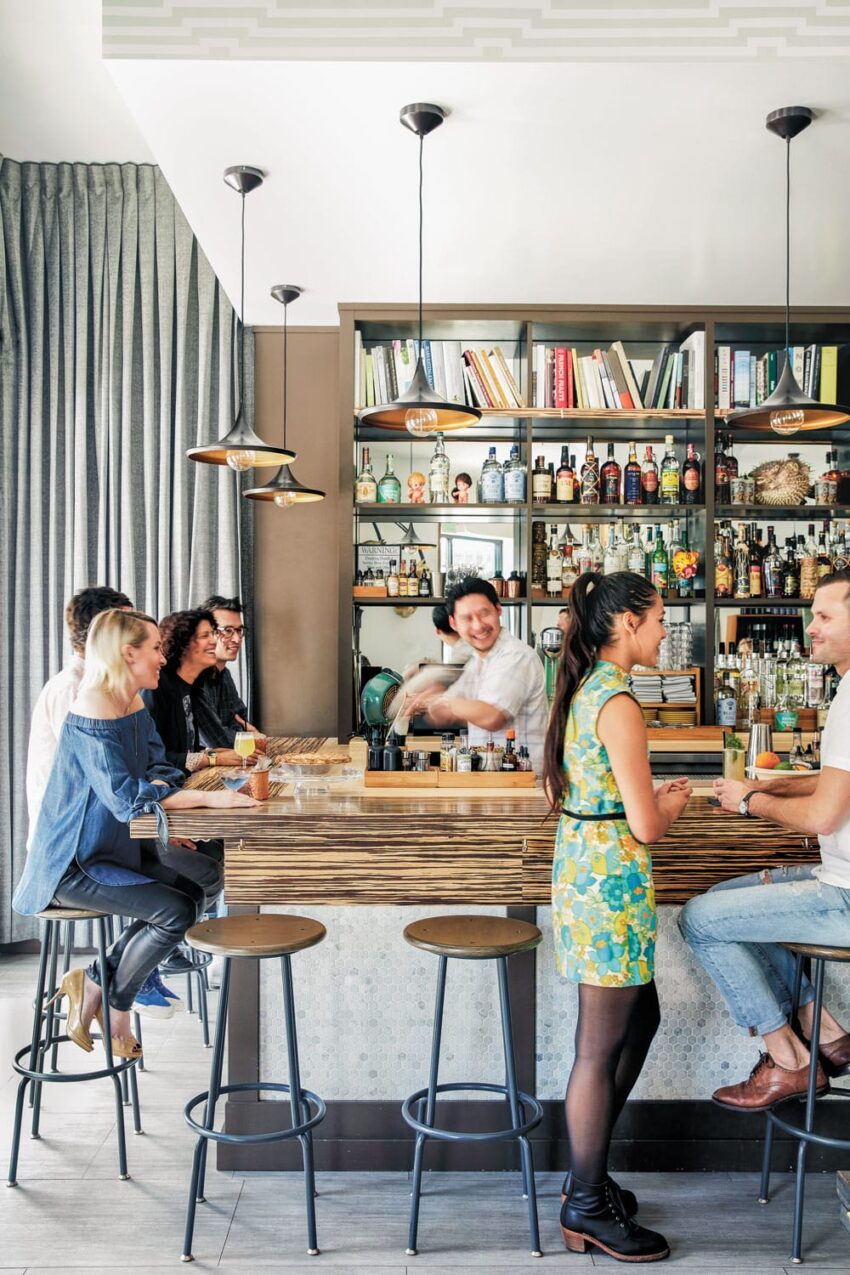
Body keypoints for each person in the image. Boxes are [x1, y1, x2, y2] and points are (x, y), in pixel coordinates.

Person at [13, 610, 257, 1057]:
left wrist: (162, 791)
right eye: (155, 649)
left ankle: (93, 983)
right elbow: (128, 797)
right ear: (129, 653)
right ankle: (115, 1000)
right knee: (176, 912)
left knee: (197, 886)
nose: (163, 658)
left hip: (118, 849)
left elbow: (158, 766)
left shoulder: (132, 702)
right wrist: (207, 799)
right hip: (74, 862)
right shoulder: (90, 710)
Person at [544, 571, 691, 1263]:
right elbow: (647, 824)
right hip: (609, 886)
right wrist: (673, 803)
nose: (666, 629)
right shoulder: (620, 699)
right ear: (628, 621)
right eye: (660, 618)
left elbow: (588, 788)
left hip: (587, 872)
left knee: (642, 1017)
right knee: (597, 1049)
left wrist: (645, 798)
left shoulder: (583, 686)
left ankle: (589, 1175)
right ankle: (586, 1200)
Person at [679, 570, 850, 1111]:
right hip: (838, 879)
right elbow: (835, 782)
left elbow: (824, 815)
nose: (810, 627)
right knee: (728, 898)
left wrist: (750, 803)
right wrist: (764, 782)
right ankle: (824, 1034)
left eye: (824, 616)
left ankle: (789, 1062)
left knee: (699, 919)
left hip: (845, 895)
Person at [409, 578, 549, 774]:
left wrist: (442, 702)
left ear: (498, 610)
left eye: (484, 614)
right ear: (453, 623)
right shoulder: (478, 660)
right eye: (467, 618)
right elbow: (452, 705)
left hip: (523, 783)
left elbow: (492, 716)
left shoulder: (516, 656)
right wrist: (431, 698)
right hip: (496, 778)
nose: (478, 626)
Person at [26, 585, 133, 840]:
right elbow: (98, 777)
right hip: (69, 838)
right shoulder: (71, 689)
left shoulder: (102, 686)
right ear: (100, 632)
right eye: (126, 626)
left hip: (101, 830)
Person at [144, 609, 248, 774]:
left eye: (213, 634)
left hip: (187, 780)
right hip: (165, 787)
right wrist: (213, 758)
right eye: (205, 636)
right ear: (183, 643)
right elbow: (150, 757)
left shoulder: (194, 685)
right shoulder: (157, 686)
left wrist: (214, 754)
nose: (214, 641)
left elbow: (189, 750)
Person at [197, 595, 265, 747]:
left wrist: (237, 733)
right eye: (227, 631)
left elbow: (240, 719)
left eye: (239, 630)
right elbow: (215, 740)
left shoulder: (224, 674)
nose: (237, 639)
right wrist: (245, 737)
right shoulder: (193, 678)